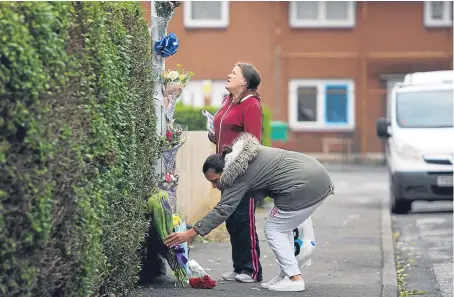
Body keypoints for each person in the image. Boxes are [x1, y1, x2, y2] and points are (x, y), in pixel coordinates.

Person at [165, 133, 335, 292]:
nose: (214, 186)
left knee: (274, 229)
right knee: (282, 228)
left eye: (215, 181)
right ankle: (287, 274)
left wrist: (189, 233)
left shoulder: (237, 175)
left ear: (223, 171)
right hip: (315, 177)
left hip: (306, 185)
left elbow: (223, 209)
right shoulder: (244, 159)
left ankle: (295, 278)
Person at [207, 62, 264, 283]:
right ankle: (238, 267)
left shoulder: (251, 106)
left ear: (245, 81)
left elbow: (253, 143)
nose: (228, 75)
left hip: (243, 173)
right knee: (231, 219)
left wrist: (239, 172)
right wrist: (214, 135)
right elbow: (225, 132)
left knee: (244, 220)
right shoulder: (227, 101)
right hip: (225, 171)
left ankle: (252, 270)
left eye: (234, 73)